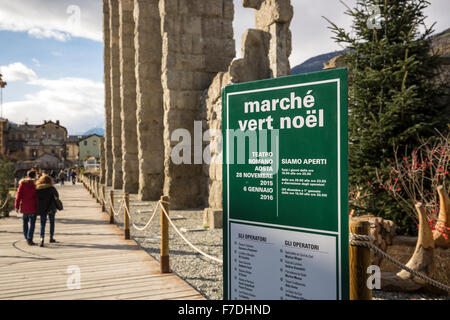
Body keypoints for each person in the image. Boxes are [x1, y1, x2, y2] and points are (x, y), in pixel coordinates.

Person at [15, 170, 38, 246]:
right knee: (32, 224)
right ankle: (29, 239)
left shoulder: (22, 184)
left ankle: (26, 237)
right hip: (32, 207)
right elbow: (36, 197)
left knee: (25, 223)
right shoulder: (35, 185)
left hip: (24, 207)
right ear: (34, 176)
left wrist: (17, 206)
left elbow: (18, 196)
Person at [36, 175, 59, 247]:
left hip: (42, 208)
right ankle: (51, 237)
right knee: (52, 222)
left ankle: (41, 238)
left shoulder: (37, 188)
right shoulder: (51, 188)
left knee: (42, 224)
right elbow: (57, 196)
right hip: (51, 207)